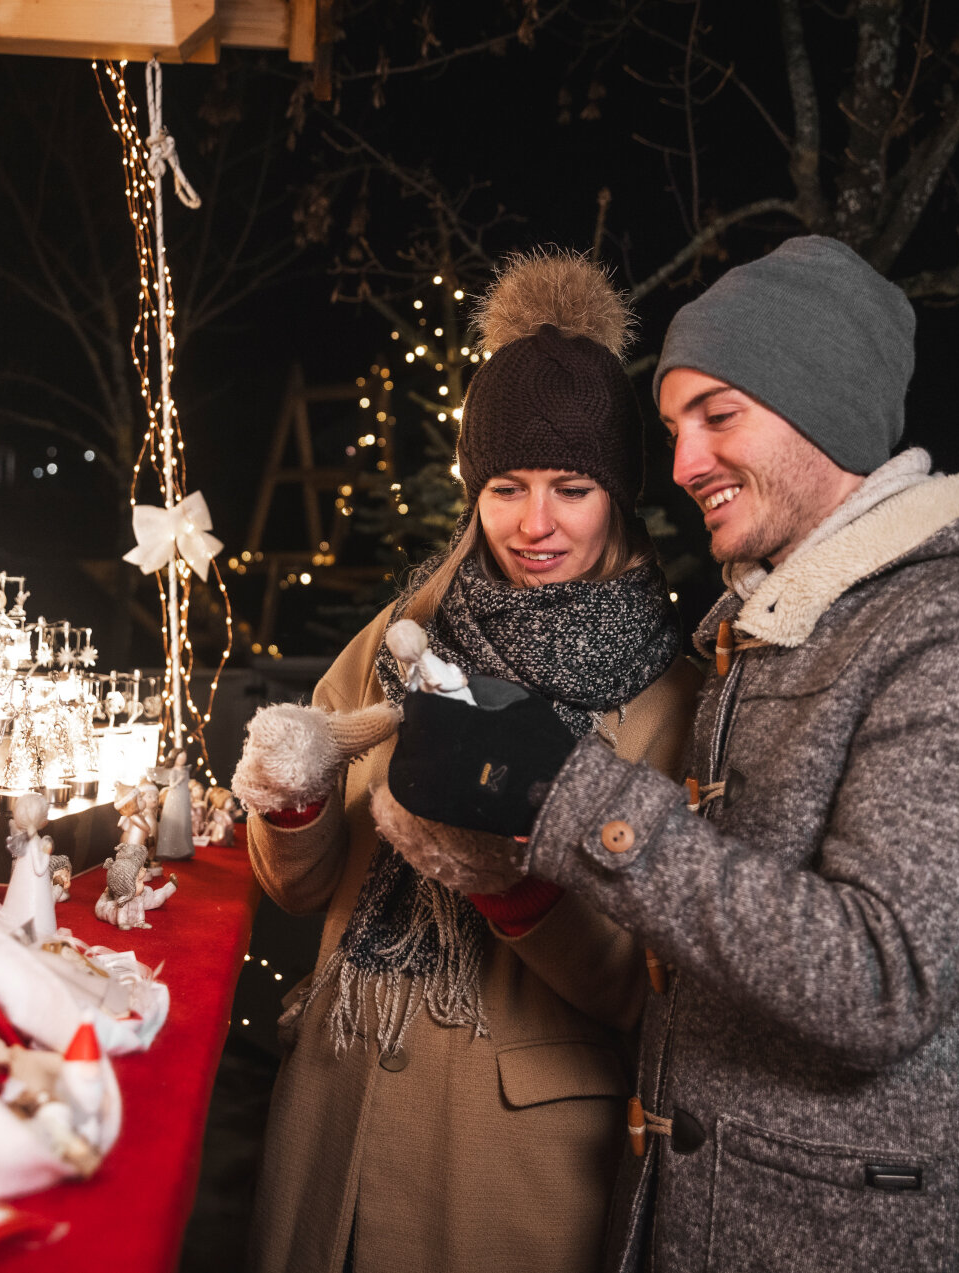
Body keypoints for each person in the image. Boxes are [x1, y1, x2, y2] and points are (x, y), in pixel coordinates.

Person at [388, 236, 959, 1272]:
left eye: (719, 416)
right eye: (674, 428)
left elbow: (882, 978)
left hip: (859, 1240)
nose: (681, 466)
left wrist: (570, 793)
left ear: (829, 408)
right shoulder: (779, 615)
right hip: (715, 1219)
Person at [230, 251, 700, 1273]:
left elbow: (653, 990)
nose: (536, 524)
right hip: (336, 1121)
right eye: (506, 487)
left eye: (572, 487)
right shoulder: (397, 636)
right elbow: (298, 888)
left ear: (617, 492)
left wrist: (515, 891)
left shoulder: (671, 700)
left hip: (510, 1159)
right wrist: (289, 806)